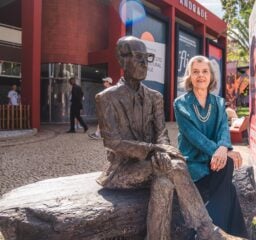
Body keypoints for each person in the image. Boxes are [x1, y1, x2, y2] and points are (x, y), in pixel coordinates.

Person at [95, 36, 241, 240]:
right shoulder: (106, 98)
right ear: (121, 59)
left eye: (147, 58)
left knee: (164, 183)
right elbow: (112, 142)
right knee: (178, 167)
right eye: (138, 57)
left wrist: (161, 151)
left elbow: (162, 134)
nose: (144, 63)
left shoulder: (155, 97)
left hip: (154, 164)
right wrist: (155, 150)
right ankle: (208, 231)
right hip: (123, 169)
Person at [173, 55, 248, 238]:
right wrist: (222, 151)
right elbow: (194, 137)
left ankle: (209, 235)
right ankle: (238, 234)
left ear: (211, 76)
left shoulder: (219, 103)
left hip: (215, 161)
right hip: (194, 164)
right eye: (196, 72)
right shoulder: (180, 104)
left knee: (227, 164)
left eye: (204, 71)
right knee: (228, 187)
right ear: (190, 76)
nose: (201, 76)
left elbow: (224, 130)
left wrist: (224, 149)